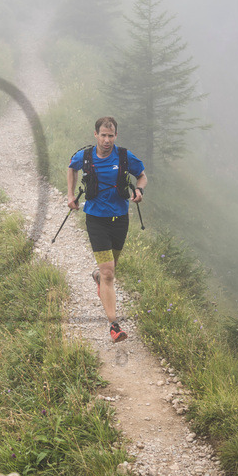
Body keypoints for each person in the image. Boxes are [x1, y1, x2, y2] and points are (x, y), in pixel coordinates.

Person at [66, 117, 147, 342]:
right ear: (96, 135)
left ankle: (98, 277)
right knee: (109, 272)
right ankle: (114, 326)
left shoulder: (124, 156)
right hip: (96, 220)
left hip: (120, 219)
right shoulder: (85, 156)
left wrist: (139, 190)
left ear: (116, 136)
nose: (107, 140)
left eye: (111, 136)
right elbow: (71, 168)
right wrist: (70, 195)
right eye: (103, 135)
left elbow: (142, 175)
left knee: (110, 268)